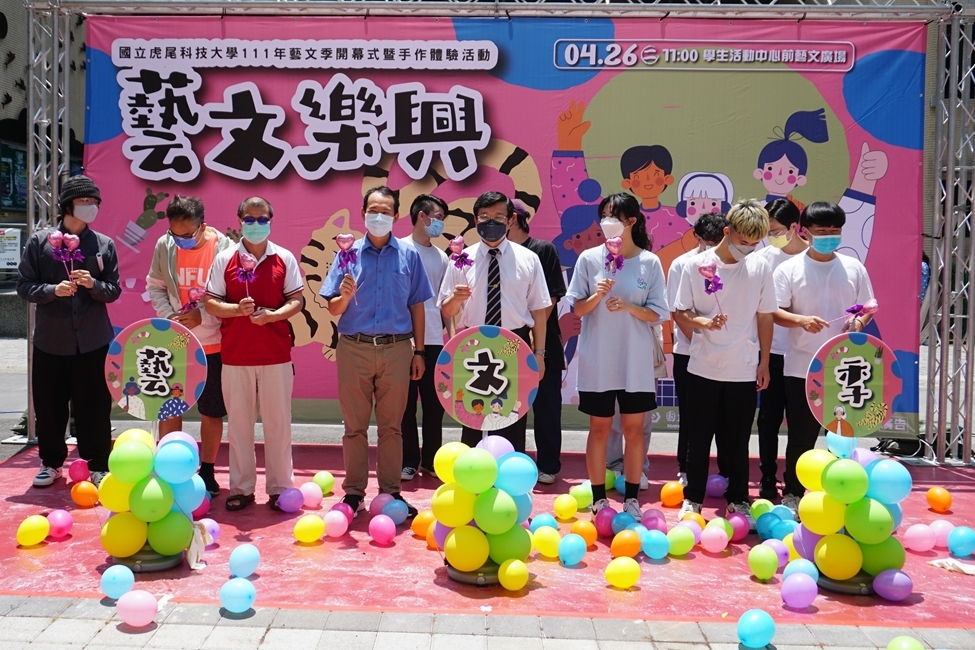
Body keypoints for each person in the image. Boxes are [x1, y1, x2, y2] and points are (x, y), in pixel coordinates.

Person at [321, 186, 432, 518]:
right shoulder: (347, 255)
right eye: (373, 210)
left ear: (396, 215)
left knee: (392, 427)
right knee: (354, 426)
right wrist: (343, 295)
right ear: (363, 213)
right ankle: (354, 494)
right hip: (353, 348)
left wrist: (419, 352)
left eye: (385, 211)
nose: (379, 216)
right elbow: (333, 308)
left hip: (396, 349)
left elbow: (417, 306)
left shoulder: (409, 255)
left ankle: (390, 492)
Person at [674, 199, 777, 527]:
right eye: (743, 240)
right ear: (728, 231)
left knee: (737, 439)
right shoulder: (696, 265)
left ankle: (739, 499)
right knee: (698, 436)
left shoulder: (759, 267)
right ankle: (693, 498)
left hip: (743, 367)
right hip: (703, 365)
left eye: (754, 243)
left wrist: (764, 361)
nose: (748, 248)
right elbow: (680, 311)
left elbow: (765, 315)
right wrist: (704, 324)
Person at [567, 193, 668, 521]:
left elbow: (657, 313)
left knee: (634, 430)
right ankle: (599, 499)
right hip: (598, 361)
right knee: (599, 429)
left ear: (631, 221)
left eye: (615, 217)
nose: (608, 222)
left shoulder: (649, 262)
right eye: (605, 216)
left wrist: (628, 306)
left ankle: (632, 498)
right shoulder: (589, 259)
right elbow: (577, 309)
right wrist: (597, 295)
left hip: (635, 363)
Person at [18, 175, 120, 489]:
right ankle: (51, 463)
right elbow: (24, 286)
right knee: (49, 406)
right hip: (51, 341)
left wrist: (93, 284)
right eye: (85, 201)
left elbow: (113, 290)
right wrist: (52, 290)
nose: (91, 207)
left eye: (95, 202)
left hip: (92, 341)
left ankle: (98, 464)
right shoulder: (40, 242)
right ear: (67, 205)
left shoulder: (103, 244)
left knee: (95, 407)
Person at [773, 201, 874, 514]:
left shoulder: (853, 267)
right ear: (805, 232)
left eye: (835, 231)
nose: (829, 236)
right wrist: (801, 320)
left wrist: (858, 323)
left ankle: (840, 493)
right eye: (822, 231)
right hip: (802, 367)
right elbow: (774, 311)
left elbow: (867, 306)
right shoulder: (789, 269)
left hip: (846, 367)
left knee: (841, 436)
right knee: (801, 435)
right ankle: (793, 492)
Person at [204, 196, 304, 511]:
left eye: (262, 219)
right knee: (239, 426)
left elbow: (297, 301)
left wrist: (273, 316)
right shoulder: (225, 258)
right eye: (250, 219)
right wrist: (237, 309)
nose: (256, 224)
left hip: (276, 355)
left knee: (278, 425)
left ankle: (280, 488)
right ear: (239, 221)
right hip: (235, 356)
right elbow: (211, 303)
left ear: (271, 221)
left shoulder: (284, 257)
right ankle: (241, 488)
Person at [439, 191, 551, 452]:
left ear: (510, 220)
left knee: (512, 413)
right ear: (475, 220)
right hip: (474, 345)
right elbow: (447, 310)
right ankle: (473, 470)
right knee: (473, 413)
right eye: (484, 216)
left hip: (514, 345)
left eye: (499, 217)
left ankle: (509, 467)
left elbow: (539, 311)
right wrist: (456, 299)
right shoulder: (461, 260)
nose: (491, 222)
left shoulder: (528, 259)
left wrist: (540, 354)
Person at [146, 195, 232, 497]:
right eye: (175, 234)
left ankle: (207, 471)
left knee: (212, 411)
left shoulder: (224, 249)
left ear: (202, 226)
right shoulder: (164, 245)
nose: (180, 240)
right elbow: (155, 286)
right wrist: (169, 317)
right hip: (174, 342)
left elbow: (230, 295)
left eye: (187, 235)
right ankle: (169, 470)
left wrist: (203, 315)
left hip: (214, 344)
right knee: (170, 408)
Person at [505, 200, 567, 484]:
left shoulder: (543, 250)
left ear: (514, 219)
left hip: (543, 344)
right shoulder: (497, 254)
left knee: (547, 407)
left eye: (501, 216)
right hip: (507, 345)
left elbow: (550, 297)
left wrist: (533, 332)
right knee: (507, 408)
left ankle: (548, 465)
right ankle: (509, 463)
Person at [667, 212, 728, 488]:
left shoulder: (733, 265)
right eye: (708, 242)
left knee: (724, 417)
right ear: (697, 238)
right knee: (691, 415)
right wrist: (702, 342)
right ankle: (686, 467)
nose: (713, 247)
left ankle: (726, 469)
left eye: (718, 241)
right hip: (689, 351)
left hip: (727, 353)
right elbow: (678, 312)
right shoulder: (682, 265)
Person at [754, 198, 808, 501]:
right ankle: (767, 476)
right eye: (768, 232)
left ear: (794, 227)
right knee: (768, 419)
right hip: (772, 351)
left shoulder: (812, 258)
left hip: (804, 355)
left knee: (800, 424)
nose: (771, 237)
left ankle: (794, 484)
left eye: (775, 231)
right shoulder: (763, 258)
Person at [399, 194, 450, 482]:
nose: (440, 223)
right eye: (438, 217)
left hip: (434, 340)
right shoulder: (399, 249)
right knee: (405, 405)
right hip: (403, 339)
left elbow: (445, 302)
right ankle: (409, 460)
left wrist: (450, 336)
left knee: (434, 404)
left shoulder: (442, 256)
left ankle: (432, 460)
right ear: (422, 216)